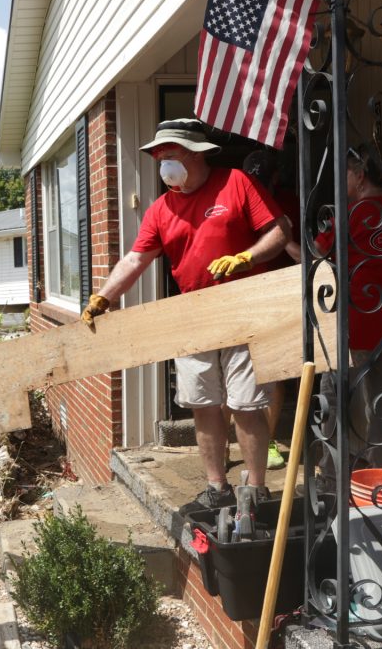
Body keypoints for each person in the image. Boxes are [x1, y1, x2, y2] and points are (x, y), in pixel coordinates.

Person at [81, 119, 291, 511]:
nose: (163, 165)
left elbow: (280, 230)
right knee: (202, 402)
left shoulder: (236, 183)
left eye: (170, 156)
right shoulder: (161, 209)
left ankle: (257, 489)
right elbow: (136, 258)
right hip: (193, 317)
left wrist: (247, 257)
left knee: (246, 404)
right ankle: (217, 487)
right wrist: (103, 298)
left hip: (243, 308)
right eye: (159, 158)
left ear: (196, 155)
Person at [315, 140, 382, 485]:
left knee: (334, 397)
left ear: (360, 175)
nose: (344, 183)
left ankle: (332, 474)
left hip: (352, 326)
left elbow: (317, 257)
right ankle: (381, 476)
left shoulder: (353, 215)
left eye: (346, 175)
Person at [238, 149, 305, 471]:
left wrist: (280, 237)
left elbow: (304, 255)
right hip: (240, 296)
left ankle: (268, 441)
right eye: (255, 179)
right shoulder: (236, 200)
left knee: (274, 374)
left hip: (281, 296)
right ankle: (225, 444)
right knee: (232, 376)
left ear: (275, 178)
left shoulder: (288, 202)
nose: (260, 186)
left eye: (264, 179)